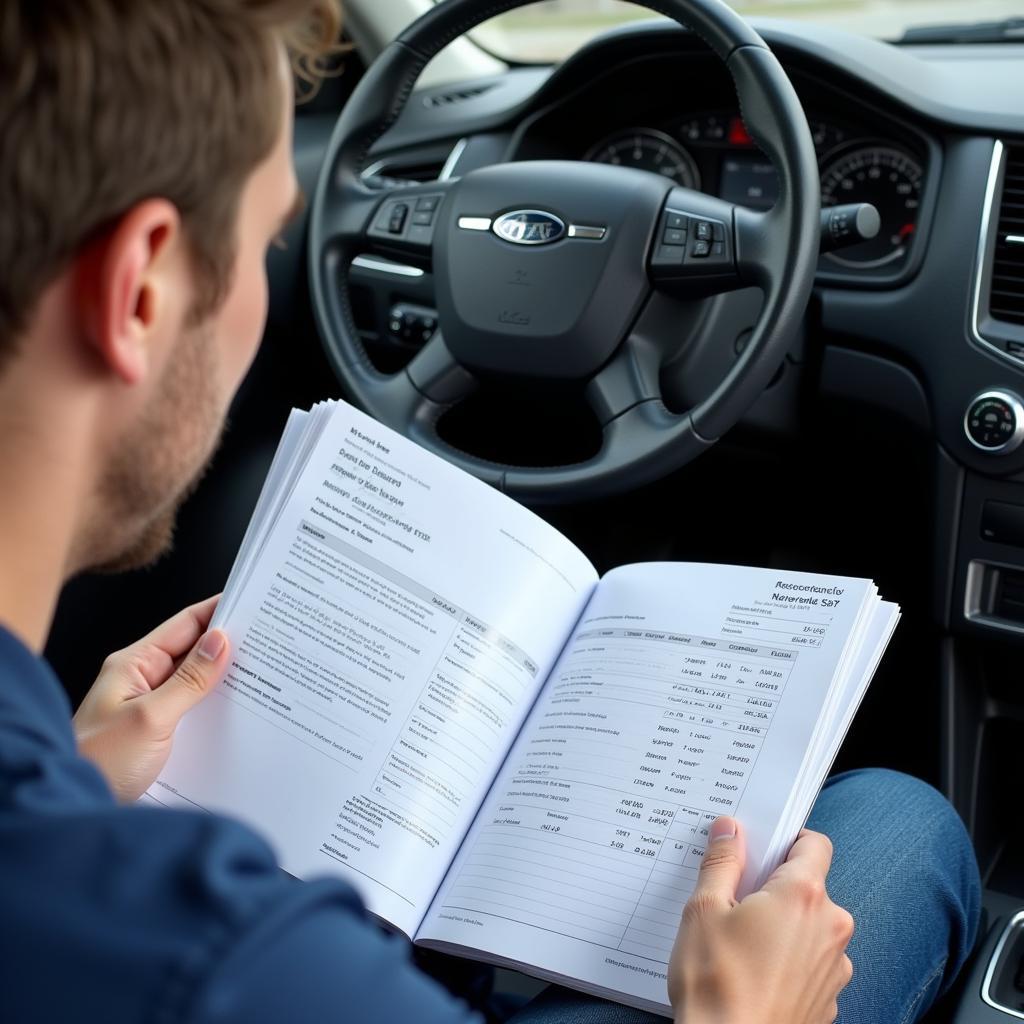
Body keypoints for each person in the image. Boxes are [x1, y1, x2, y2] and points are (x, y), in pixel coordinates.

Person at [0, 2, 979, 1023]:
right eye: (268, 239)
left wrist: (76, 783)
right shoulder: (241, 962)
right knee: (899, 828)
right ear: (141, 291)